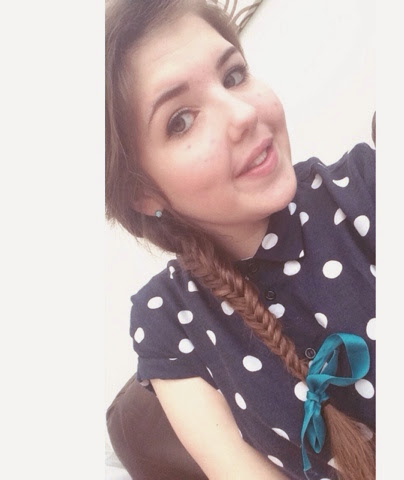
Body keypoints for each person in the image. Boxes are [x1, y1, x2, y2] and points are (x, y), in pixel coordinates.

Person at [105, 1, 376, 479]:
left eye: (233, 76)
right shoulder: (167, 323)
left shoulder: (368, 187)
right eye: (180, 120)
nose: (243, 113)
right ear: (143, 193)